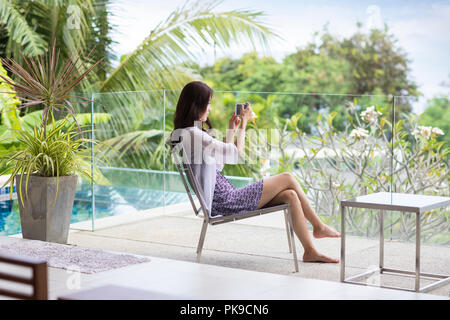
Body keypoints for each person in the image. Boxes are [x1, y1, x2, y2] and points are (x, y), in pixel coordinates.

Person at [171, 81, 340, 263]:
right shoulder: (194, 134)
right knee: (287, 177)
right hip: (225, 202)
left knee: (290, 195)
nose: (210, 109)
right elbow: (236, 155)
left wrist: (231, 131)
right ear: (196, 105)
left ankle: (310, 251)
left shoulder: (189, 133)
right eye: (208, 103)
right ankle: (319, 226)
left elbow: (221, 163)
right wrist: (244, 124)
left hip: (224, 198)